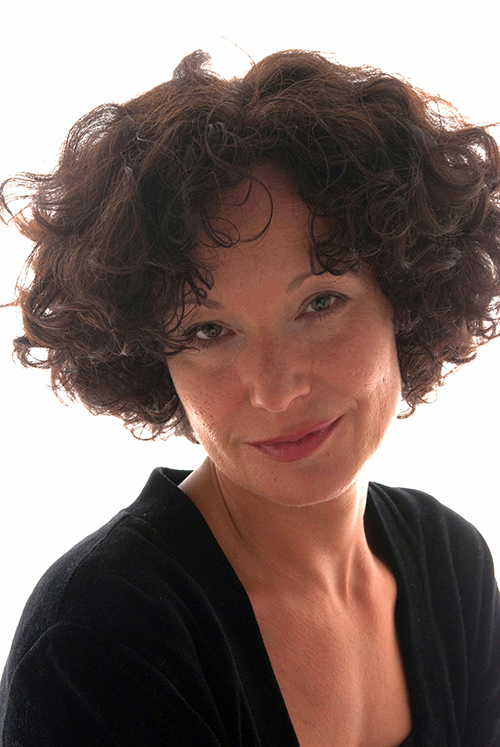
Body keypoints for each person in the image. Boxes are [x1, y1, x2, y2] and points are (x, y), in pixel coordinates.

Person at [0, 49, 499, 747]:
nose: (276, 387)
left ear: (406, 295)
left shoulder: (452, 564)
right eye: (208, 330)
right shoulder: (98, 636)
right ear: (151, 354)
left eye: (320, 303)